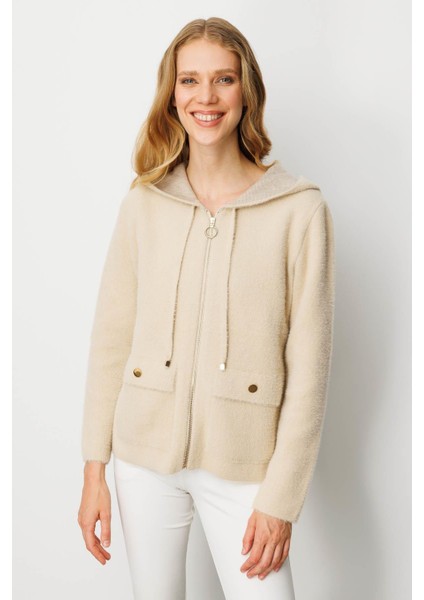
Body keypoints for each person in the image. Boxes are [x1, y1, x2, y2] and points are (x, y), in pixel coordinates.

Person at [77, 16, 335, 600]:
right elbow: (110, 339)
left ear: (247, 91)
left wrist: (281, 499)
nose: (206, 97)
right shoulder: (145, 202)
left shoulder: (299, 211)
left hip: (246, 468)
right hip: (143, 460)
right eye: (190, 80)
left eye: (224, 79)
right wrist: (95, 466)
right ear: (172, 95)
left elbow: (310, 372)